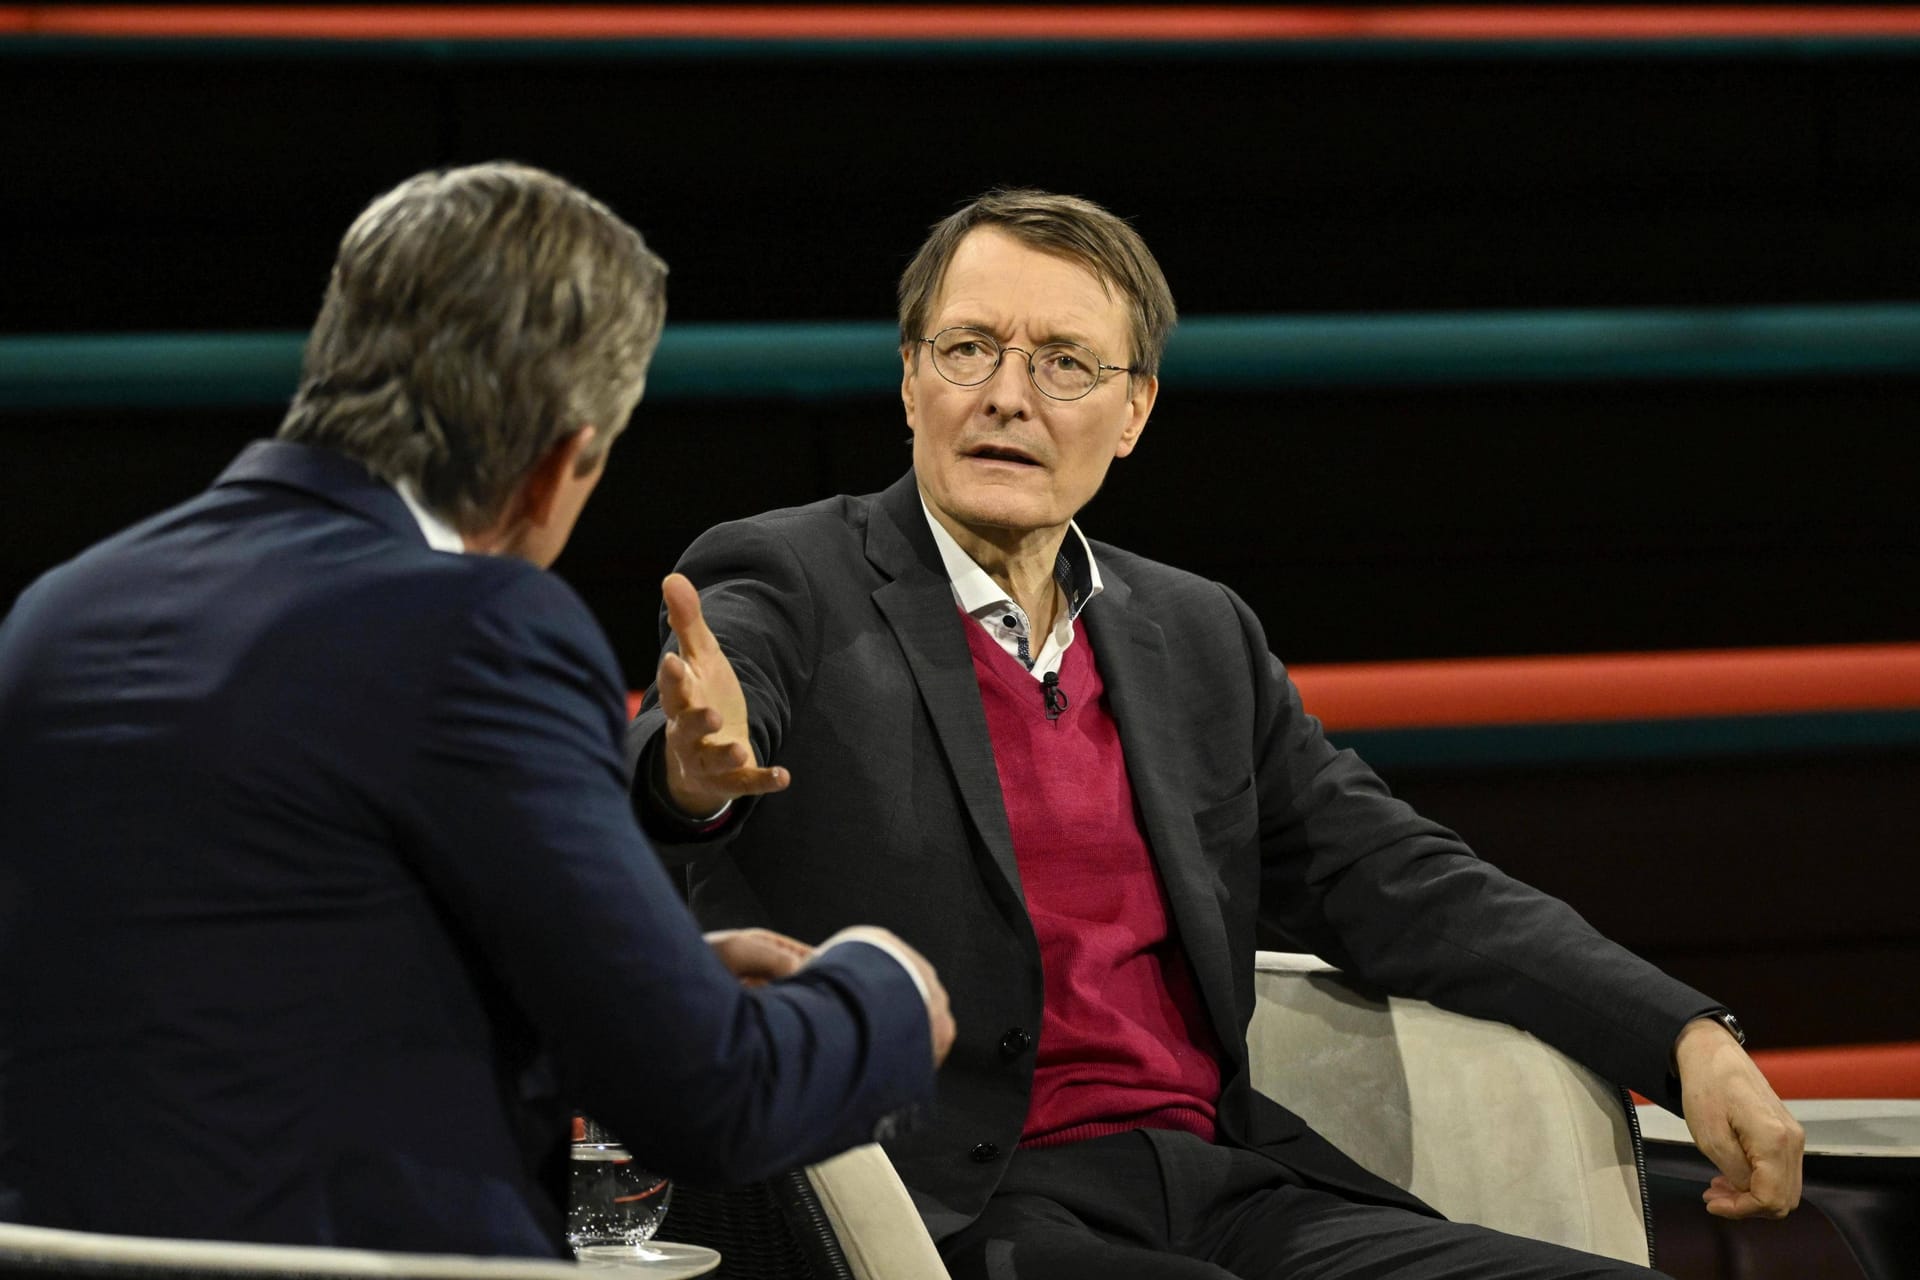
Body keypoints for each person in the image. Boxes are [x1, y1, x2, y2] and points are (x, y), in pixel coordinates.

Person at [625, 188, 1804, 1279]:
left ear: (1133, 410)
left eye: (1064, 363)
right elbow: (681, 762)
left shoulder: (1195, 634)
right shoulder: (791, 574)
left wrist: (1682, 1033)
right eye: (968, 348)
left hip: (1226, 1181)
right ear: (909, 379)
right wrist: (691, 776)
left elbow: (1398, 877)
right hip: (966, 1206)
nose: (1006, 394)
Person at [0, 162, 952, 1258]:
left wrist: (638, 979)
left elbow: (238, 990)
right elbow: (708, 1099)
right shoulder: (482, 625)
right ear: (557, 465)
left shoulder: (58, 610)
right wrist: (880, 986)